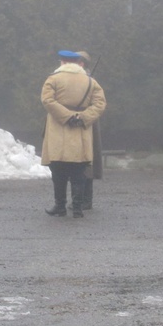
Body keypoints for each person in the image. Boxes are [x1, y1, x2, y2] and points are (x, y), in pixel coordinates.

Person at [41, 50, 106, 218]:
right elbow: (100, 103)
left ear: (62, 62)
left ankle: (60, 205)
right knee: (78, 171)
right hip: (80, 130)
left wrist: (66, 116)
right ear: (78, 63)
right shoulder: (90, 81)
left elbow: (47, 101)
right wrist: (83, 117)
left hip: (58, 128)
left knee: (58, 171)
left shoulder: (53, 79)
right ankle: (77, 207)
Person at [70, 51, 104, 210]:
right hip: (75, 122)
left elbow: (97, 104)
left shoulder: (90, 82)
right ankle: (78, 198)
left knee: (86, 162)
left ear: (81, 64)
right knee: (74, 161)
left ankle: (86, 199)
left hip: (87, 124)